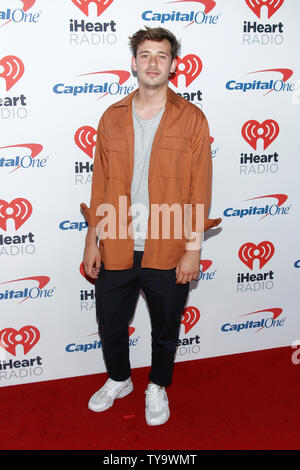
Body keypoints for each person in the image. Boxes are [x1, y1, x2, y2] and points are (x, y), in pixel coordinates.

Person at [81, 26, 220, 426]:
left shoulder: (192, 119)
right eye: (145, 55)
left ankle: (157, 385)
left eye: (161, 55)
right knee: (109, 322)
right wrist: (93, 239)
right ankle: (119, 378)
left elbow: (200, 190)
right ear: (134, 63)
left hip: (169, 243)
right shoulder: (111, 117)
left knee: (165, 327)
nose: (153, 63)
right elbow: (100, 183)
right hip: (117, 242)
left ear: (174, 65)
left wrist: (193, 248)